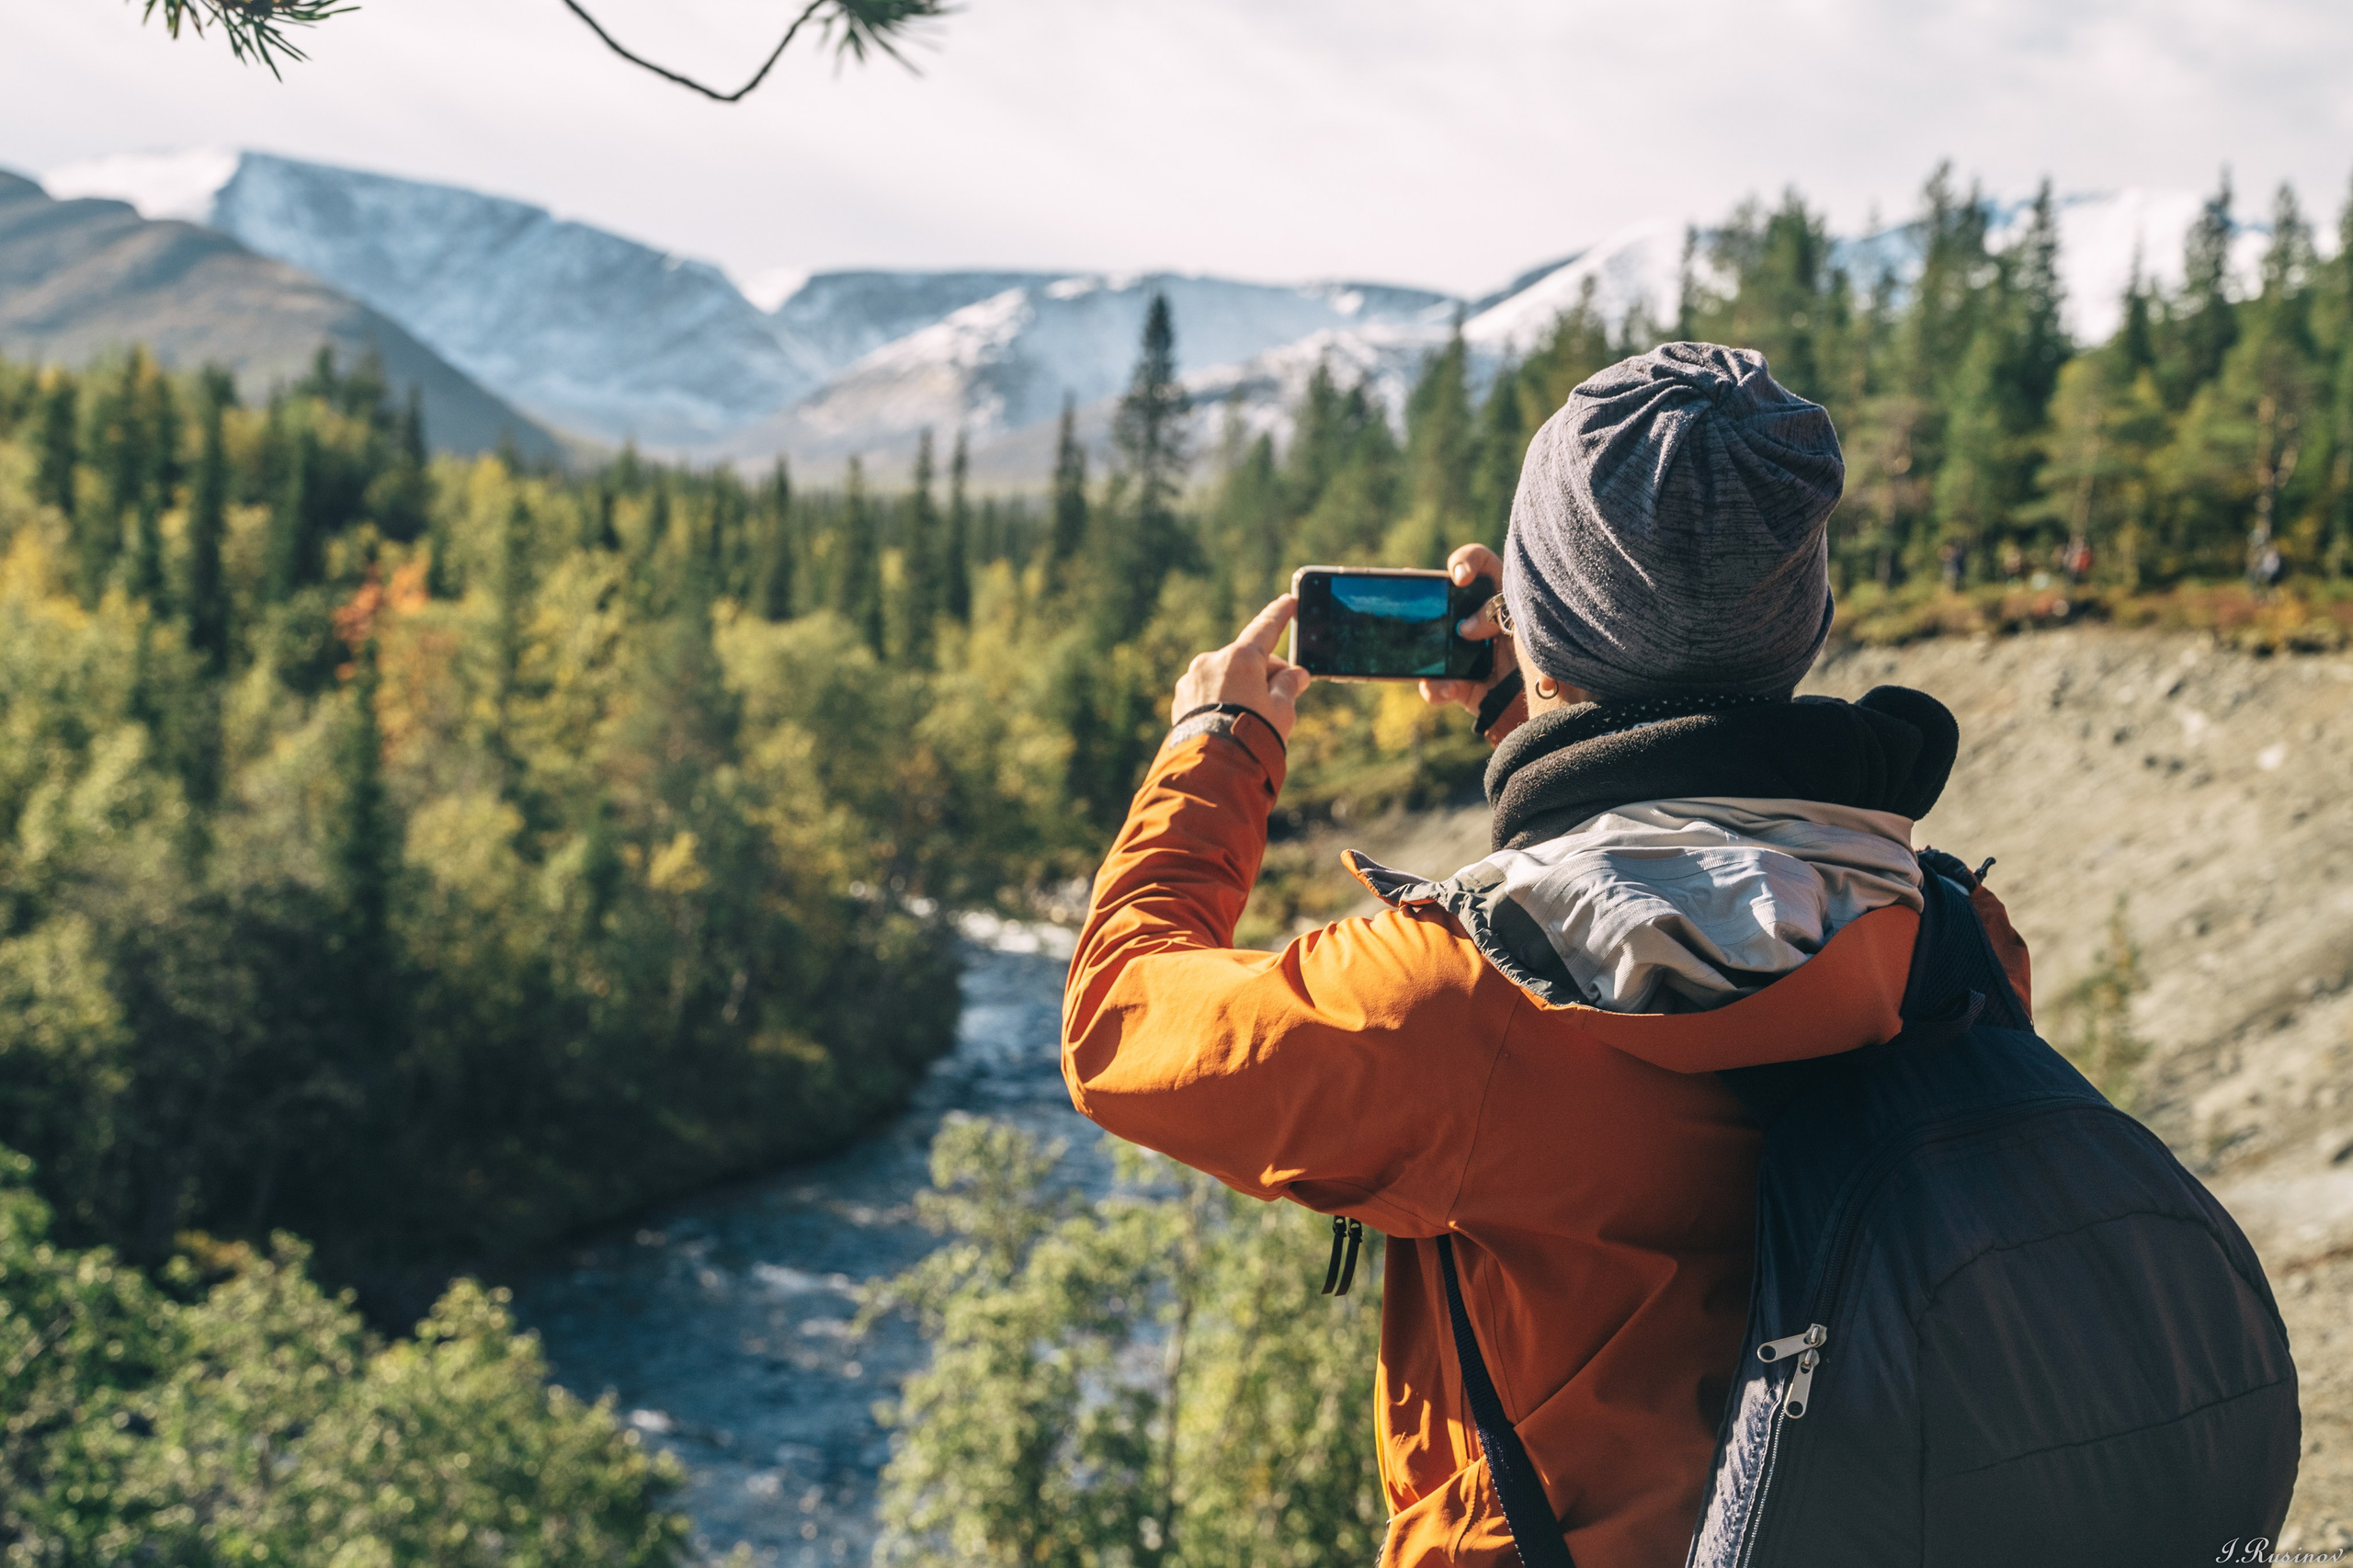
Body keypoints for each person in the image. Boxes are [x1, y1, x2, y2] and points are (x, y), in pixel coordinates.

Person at [1061, 343, 2032, 1567]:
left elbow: (1117, 1025)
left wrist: (1219, 742)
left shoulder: (1454, 1004)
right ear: (1807, 621)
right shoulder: (1953, 942)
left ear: (1543, 617)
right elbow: (1701, 866)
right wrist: (1549, 706)